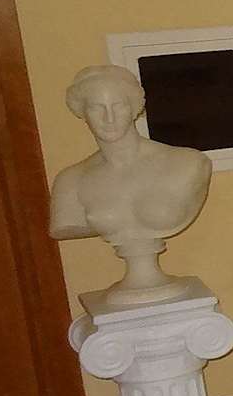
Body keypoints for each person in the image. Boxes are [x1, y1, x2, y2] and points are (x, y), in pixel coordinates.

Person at [49, 63, 212, 306]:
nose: (109, 118)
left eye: (119, 105)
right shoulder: (71, 181)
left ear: (135, 108)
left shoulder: (187, 163)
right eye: (96, 107)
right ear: (82, 112)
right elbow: (63, 225)